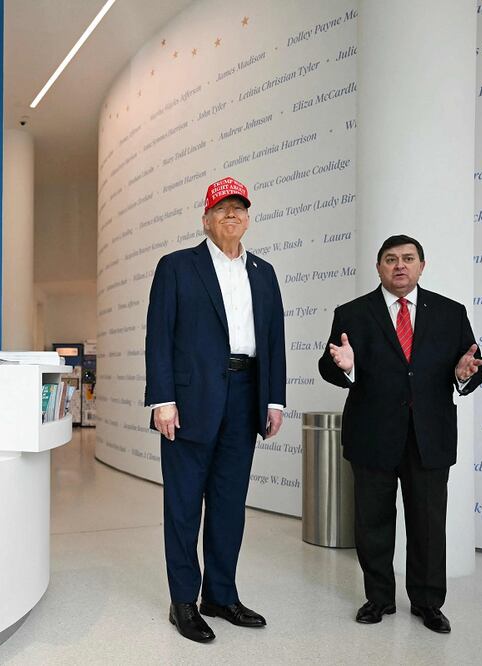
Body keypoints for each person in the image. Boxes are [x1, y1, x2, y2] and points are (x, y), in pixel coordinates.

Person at [318, 235, 482, 634]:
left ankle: (428, 602)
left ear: (421, 266)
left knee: (429, 523)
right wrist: (344, 366)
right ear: (378, 267)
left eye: (408, 259)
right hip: (372, 435)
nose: (400, 266)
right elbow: (330, 367)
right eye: (391, 259)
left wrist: (465, 375)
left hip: (430, 435)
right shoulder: (353, 313)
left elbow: (472, 361)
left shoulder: (450, 312)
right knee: (372, 521)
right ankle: (378, 598)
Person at [144, 176, 286, 643]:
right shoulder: (177, 267)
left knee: (228, 504)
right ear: (205, 219)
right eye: (222, 208)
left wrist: (274, 398)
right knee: (184, 504)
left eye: (239, 208)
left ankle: (220, 596)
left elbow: (274, 342)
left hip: (245, 395)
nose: (232, 215)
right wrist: (162, 399)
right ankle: (183, 600)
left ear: (248, 218)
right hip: (190, 400)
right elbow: (159, 337)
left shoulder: (263, 272)